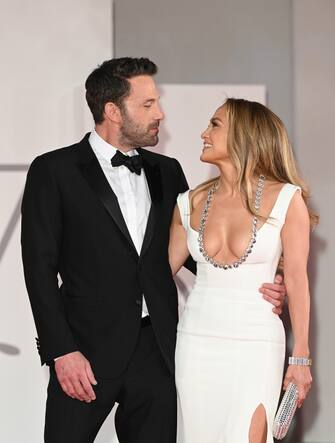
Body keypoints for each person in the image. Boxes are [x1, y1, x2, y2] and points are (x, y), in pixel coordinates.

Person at [21, 58, 286, 443]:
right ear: (112, 111)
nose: (160, 113)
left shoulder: (168, 170)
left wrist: (256, 284)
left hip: (158, 352)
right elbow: (38, 270)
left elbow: (197, 255)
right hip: (84, 352)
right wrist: (62, 351)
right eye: (147, 105)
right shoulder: (54, 170)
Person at [169, 98, 317, 443]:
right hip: (196, 343)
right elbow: (153, 276)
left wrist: (302, 358)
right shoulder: (188, 203)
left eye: (215, 125)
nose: (204, 133)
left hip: (256, 342)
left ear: (244, 134)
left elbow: (296, 279)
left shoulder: (286, 199)